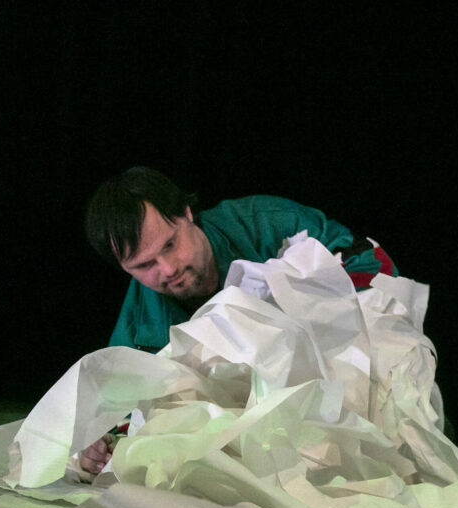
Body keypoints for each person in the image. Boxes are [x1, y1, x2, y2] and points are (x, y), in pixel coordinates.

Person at [79, 166, 397, 474]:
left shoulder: (270, 225)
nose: (167, 269)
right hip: (265, 442)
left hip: (344, 385)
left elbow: (375, 268)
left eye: (170, 245)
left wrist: (292, 311)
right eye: (144, 264)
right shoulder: (139, 324)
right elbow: (124, 408)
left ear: (187, 214)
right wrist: (101, 444)